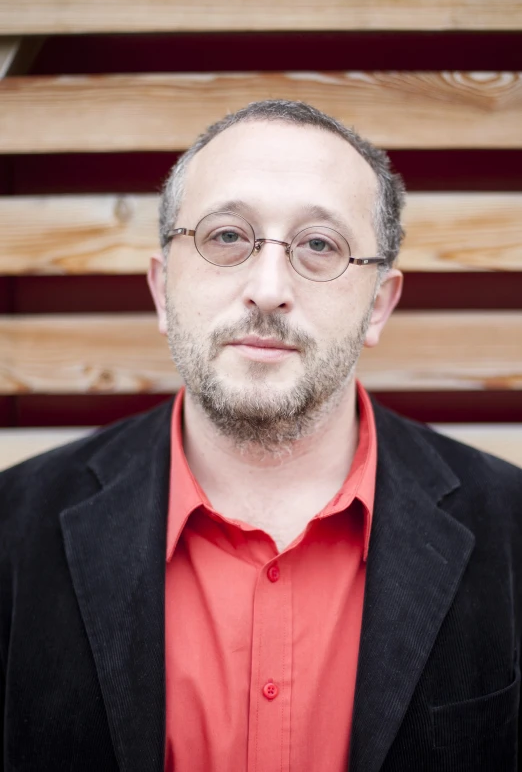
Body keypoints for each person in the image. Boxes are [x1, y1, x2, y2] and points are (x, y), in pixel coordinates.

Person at [0, 100, 520, 772]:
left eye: (319, 245)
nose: (268, 288)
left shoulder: (512, 528)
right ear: (162, 290)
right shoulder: (12, 531)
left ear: (379, 305)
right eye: (225, 237)